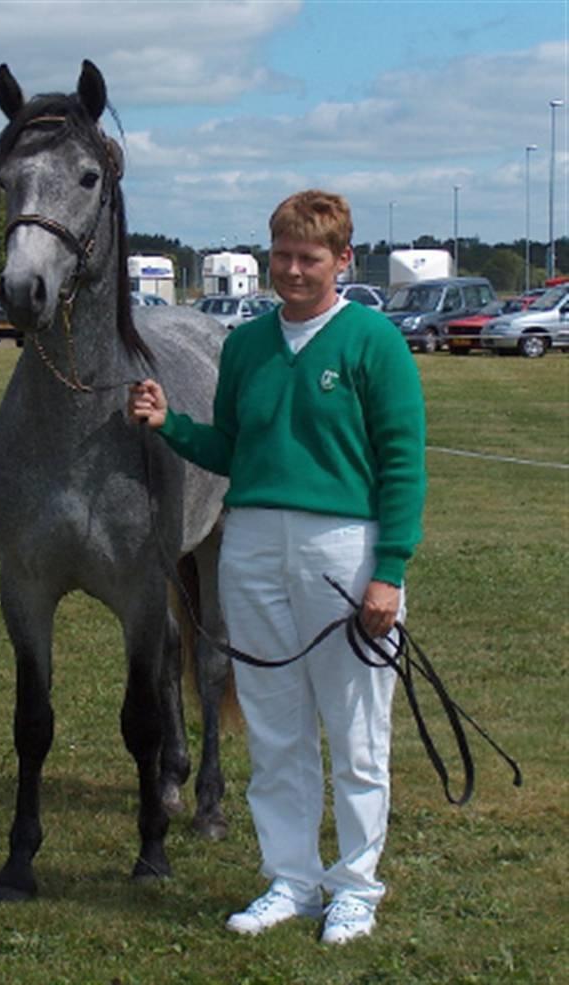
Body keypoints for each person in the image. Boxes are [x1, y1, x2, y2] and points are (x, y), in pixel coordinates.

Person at [128, 190, 426, 946]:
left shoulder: (372, 343)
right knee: (274, 725)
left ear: (342, 260)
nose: (292, 270)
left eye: (310, 257)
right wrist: (172, 426)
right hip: (254, 544)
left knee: (356, 730)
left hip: (345, 552)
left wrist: (388, 571)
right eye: (283, 255)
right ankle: (290, 876)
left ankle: (355, 885)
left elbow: (403, 466)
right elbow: (232, 448)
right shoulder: (249, 346)